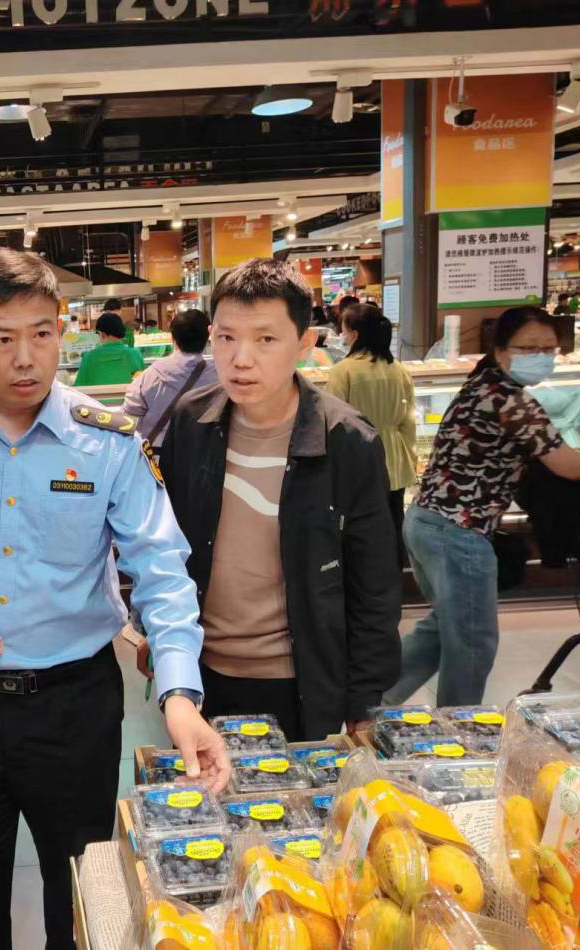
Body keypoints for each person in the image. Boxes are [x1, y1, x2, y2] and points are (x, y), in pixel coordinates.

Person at [0, 248, 229, 950]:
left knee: (79, 892)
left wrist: (180, 694)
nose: (24, 357)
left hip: (74, 705)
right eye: (2, 338)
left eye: (41, 334)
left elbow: (160, 568)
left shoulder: (107, 443)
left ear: (61, 332)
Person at [151, 259, 402, 741]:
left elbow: (374, 582)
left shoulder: (347, 440)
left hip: (300, 679)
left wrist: (365, 698)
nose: (241, 359)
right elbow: (169, 544)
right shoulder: (192, 421)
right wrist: (160, 640)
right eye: (226, 338)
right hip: (201, 672)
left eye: (265, 339)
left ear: (305, 344)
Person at [386, 306, 580, 707]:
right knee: (473, 641)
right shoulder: (507, 400)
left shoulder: (483, 385)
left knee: (445, 628)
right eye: (527, 348)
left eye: (548, 348)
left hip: (427, 523)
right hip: (459, 530)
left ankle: (375, 704)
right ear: (499, 349)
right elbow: (566, 463)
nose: (539, 356)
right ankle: (458, 725)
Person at [325, 303, 418, 564]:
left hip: (357, 459)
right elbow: (409, 423)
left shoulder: (343, 371)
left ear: (354, 334)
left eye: (344, 330)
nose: (341, 335)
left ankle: (368, 577)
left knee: (361, 528)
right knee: (393, 520)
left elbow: (333, 420)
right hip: (395, 459)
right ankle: (396, 575)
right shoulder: (399, 370)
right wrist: (409, 459)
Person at [123, 307, 219, 452]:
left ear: (173, 339)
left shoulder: (150, 376)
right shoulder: (220, 377)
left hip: (158, 457)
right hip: (204, 456)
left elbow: (128, 419)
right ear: (208, 337)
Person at [73, 311, 145, 386]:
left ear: (101, 334)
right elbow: (142, 384)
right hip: (128, 394)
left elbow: (79, 387)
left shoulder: (89, 357)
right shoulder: (135, 354)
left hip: (97, 394)